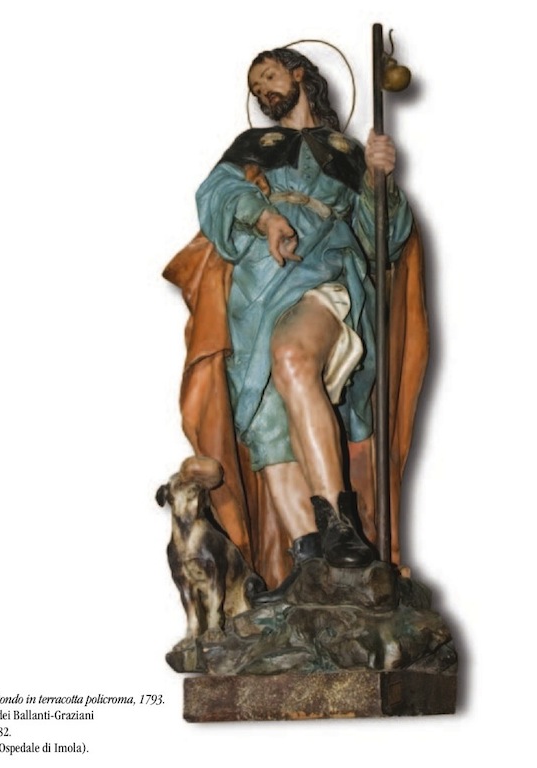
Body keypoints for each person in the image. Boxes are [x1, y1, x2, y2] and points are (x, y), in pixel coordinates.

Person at [164, 47, 426, 601]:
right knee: (266, 425)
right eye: (255, 85)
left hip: (324, 268)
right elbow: (216, 194)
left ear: (299, 73)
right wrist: (264, 214)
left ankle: (339, 522)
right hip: (256, 289)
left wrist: (379, 180)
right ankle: (308, 563)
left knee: (292, 355)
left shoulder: (346, 153)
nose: (263, 89)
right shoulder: (252, 147)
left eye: (269, 75)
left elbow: (384, 239)